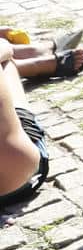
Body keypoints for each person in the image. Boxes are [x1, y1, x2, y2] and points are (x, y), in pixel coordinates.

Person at [0, 42, 53, 209]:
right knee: (6, 61)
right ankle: (31, 64)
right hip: (16, 181)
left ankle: (30, 63)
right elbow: (4, 47)